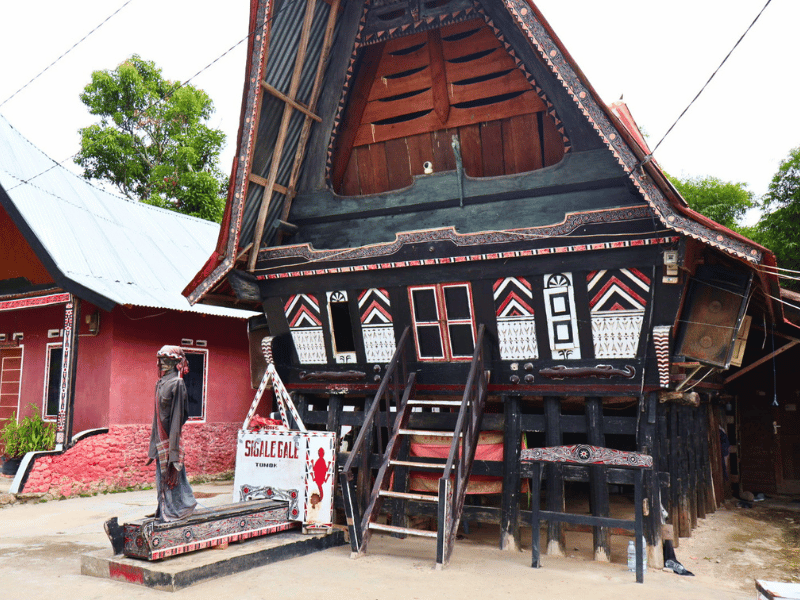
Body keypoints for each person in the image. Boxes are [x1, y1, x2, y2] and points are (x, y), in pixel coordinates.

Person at [146, 345, 197, 521]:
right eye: (161, 360)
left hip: (170, 439)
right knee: (161, 479)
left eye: (166, 360)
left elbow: (178, 418)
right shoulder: (160, 383)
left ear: (176, 363)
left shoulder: (177, 383)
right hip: (160, 438)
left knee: (173, 477)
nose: (161, 363)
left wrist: (173, 452)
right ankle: (164, 509)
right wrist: (154, 446)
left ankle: (178, 509)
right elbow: (156, 418)